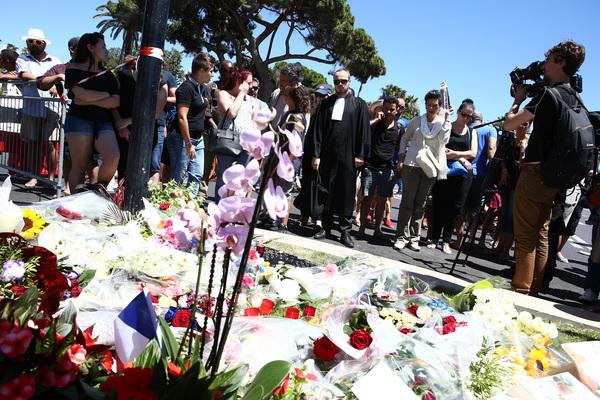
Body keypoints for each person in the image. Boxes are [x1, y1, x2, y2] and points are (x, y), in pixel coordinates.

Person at [504, 39, 586, 296]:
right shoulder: (574, 96)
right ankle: (535, 289)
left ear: (561, 63)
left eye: (549, 60)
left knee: (526, 236)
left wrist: (517, 100)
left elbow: (510, 124)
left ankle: (521, 289)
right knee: (541, 235)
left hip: (534, 173)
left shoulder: (548, 95)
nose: (543, 65)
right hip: (553, 176)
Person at [311, 68, 370, 248]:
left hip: (349, 155)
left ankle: (345, 230)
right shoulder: (325, 104)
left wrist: (360, 154)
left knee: (346, 192)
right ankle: (325, 226)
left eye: (343, 81)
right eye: (336, 81)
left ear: (349, 82)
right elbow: (317, 131)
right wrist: (316, 155)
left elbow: (364, 131)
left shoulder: (359, 104)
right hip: (327, 154)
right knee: (325, 189)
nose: (340, 84)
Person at [394, 90, 453, 252]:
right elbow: (404, 138)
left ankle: (414, 238)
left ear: (440, 106)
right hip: (411, 164)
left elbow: (444, 140)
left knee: (421, 204)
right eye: (429, 105)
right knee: (407, 202)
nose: (431, 108)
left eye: (435, 105)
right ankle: (401, 237)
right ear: (425, 105)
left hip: (430, 167)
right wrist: (401, 156)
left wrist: (448, 119)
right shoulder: (417, 121)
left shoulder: (443, 123)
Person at [64, 32, 120, 191]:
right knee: (79, 165)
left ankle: (99, 190)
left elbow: (116, 101)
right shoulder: (72, 68)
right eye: (103, 47)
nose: (107, 51)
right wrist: (106, 95)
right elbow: (80, 94)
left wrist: (89, 98)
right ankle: (75, 201)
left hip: (103, 120)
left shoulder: (108, 75)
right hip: (78, 119)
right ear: (90, 47)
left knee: (113, 156)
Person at [428, 99, 477, 254]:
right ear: (458, 112)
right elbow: (441, 148)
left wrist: (456, 155)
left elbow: (473, 153)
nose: (466, 118)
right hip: (445, 170)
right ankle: (435, 237)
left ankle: (446, 240)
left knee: (455, 208)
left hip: (462, 175)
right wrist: (461, 158)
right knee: (439, 204)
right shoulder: (448, 126)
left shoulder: (471, 132)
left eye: (469, 116)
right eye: (464, 114)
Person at [15, 28, 62, 187]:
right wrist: (47, 81)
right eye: (30, 41)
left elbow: (62, 78)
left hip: (52, 108)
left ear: (44, 44)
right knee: (33, 143)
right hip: (31, 108)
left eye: (38, 42)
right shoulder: (22, 59)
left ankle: (50, 178)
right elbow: (23, 75)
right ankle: (34, 177)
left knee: (50, 143)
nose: (34, 44)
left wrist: (54, 82)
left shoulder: (55, 60)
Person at [166, 53, 216, 197]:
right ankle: (172, 206)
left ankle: (190, 205)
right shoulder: (186, 88)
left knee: (196, 175)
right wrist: (188, 143)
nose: (212, 75)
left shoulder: (202, 88)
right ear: (202, 70)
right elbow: (182, 117)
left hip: (198, 139)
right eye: (211, 71)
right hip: (181, 139)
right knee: (178, 177)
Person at [357, 96, 402, 240]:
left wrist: (400, 165)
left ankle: (378, 230)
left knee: (382, 201)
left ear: (397, 110)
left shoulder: (399, 128)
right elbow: (361, 130)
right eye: (385, 108)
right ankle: (361, 229)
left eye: (391, 109)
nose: (388, 111)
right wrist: (376, 119)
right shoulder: (375, 124)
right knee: (367, 198)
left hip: (388, 168)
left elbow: (400, 148)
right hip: (370, 166)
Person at [453, 110, 497, 248]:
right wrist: (494, 170)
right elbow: (491, 148)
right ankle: (471, 239)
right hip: (481, 174)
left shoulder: (466, 129)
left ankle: (458, 240)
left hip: (464, 170)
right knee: (475, 209)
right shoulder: (490, 130)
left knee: (462, 208)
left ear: (471, 119)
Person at [270, 85, 311, 233]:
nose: (283, 97)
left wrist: (285, 165)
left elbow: (296, 145)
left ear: (290, 98)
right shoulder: (288, 114)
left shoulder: (296, 117)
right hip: (279, 159)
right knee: (276, 190)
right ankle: (274, 219)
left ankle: (283, 224)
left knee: (285, 192)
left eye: (285, 95)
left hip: (287, 163)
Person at [215, 66, 258, 203]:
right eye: (248, 83)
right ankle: (220, 207)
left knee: (240, 180)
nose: (251, 87)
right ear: (239, 82)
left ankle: (234, 208)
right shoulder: (224, 94)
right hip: (228, 142)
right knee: (224, 177)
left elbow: (256, 124)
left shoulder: (252, 100)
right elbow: (231, 112)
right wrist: (241, 94)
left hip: (247, 146)